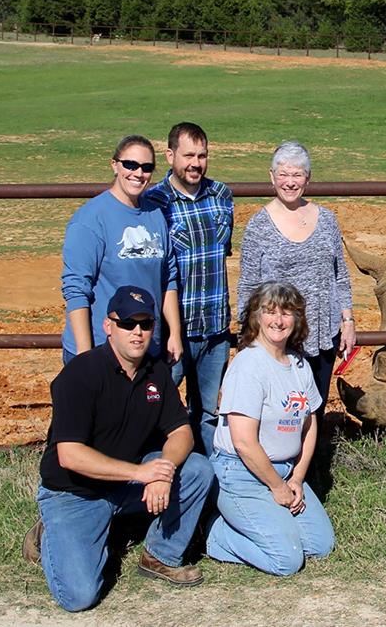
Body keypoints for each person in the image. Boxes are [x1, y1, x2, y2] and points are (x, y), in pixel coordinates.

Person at [22, 286, 213, 612]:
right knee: (79, 597)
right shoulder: (81, 374)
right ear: (108, 326)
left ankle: (160, 555)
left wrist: (162, 471)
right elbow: (70, 454)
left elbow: (181, 431)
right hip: (76, 492)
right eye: (127, 323)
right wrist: (142, 472)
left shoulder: (156, 371)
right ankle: (48, 532)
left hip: (127, 484)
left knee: (197, 470)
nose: (137, 332)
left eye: (145, 323)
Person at [206, 281, 334, 575]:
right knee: (286, 561)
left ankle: (267, 522)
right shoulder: (249, 365)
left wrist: (297, 478)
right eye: (270, 311)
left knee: (319, 545)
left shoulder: (299, 365)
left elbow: (309, 422)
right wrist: (277, 488)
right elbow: (243, 442)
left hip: (285, 470)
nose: (278, 320)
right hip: (242, 473)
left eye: (287, 312)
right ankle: (215, 535)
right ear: (257, 317)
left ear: (297, 319)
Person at [238, 142, 355, 420]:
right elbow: (247, 285)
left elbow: (340, 274)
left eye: (297, 175)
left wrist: (348, 321)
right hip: (278, 337)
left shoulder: (327, 219)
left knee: (315, 411)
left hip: (323, 334)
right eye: (283, 174)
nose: (290, 182)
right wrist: (247, 335)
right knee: (283, 415)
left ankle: (312, 464)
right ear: (271, 177)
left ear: (308, 178)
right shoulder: (258, 226)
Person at [143, 122, 234, 454]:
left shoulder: (222, 195)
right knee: (157, 410)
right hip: (174, 334)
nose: (196, 163)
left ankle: (208, 484)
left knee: (208, 412)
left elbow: (221, 254)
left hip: (215, 328)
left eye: (202, 155)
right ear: (170, 155)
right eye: (188, 155)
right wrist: (170, 331)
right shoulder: (154, 202)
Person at [61, 135, 181, 364]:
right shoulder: (90, 219)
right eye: (130, 165)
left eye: (146, 167)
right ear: (114, 165)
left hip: (145, 345)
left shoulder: (155, 215)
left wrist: (173, 333)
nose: (138, 173)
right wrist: (87, 356)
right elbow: (76, 288)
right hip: (103, 348)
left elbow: (168, 277)